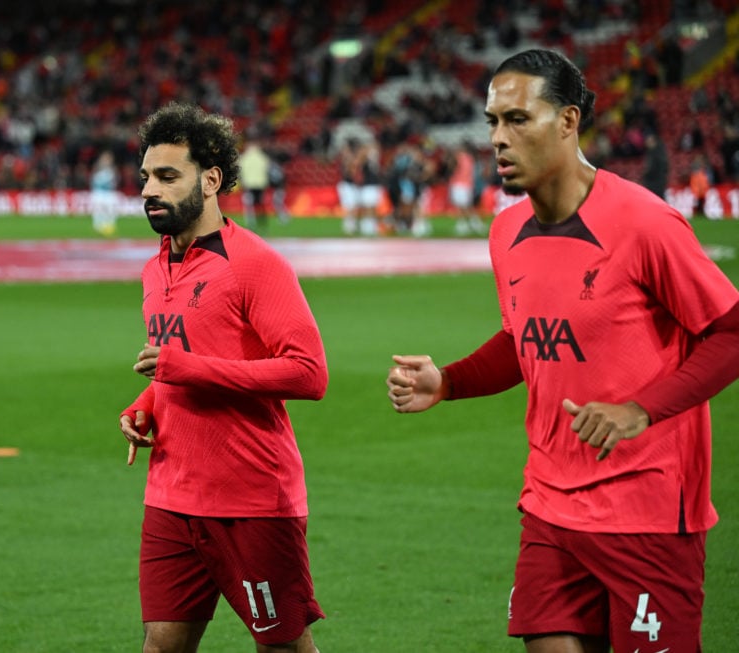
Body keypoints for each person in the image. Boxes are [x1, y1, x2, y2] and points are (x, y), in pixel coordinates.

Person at [386, 49, 739, 653]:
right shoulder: (506, 232)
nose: (498, 138)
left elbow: (730, 331)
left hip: (648, 512)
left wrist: (640, 410)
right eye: (494, 121)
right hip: (549, 505)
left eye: (518, 119)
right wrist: (448, 382)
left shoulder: (645, 223)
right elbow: (523, 338)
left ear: (569, 121)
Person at [119, 102, 329, 653]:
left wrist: (184, 369)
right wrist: (146, 403)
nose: (149, 190)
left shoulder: (254, 264)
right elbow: (179, 364)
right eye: (145, 177)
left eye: (167, 176)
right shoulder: (154, 266)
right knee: (161, 644)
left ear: (211, 180)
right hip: (171, 495)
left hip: (252, 499)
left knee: (281, 645)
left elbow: (309, 373)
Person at [238, 134, 273, 232]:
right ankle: (262, 223)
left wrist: (242, 182)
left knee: (249, 206)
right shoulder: (263, 157)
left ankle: (251, 224)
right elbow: (268, 169)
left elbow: (239, 171)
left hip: (249, 185)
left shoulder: (244, 157)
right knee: (260, 205)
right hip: (260, 184)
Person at [90, 149, 120, 236]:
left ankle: (109, 226)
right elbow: (93, 180)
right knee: (99, 210)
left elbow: (115, 181)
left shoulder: (113, 169)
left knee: (110, 210)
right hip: (99, 193)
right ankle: (98, 227)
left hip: (109, 193)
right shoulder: (97, 168)